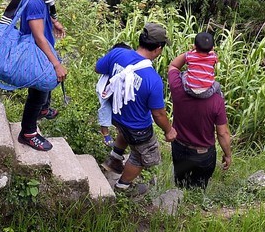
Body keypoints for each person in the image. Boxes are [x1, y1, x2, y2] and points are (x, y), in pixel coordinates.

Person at [97, 23, 176, 195]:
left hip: (116, 115)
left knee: (125, 132)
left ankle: (114, 160)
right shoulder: (152, 79)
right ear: (158, 49)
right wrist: (169, 131)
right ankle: (123, 187)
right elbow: (158, 114)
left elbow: (99, 68)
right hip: (137, 126)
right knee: (142, 156)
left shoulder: (118, 53)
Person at [7, 0, 72, 151]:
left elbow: (47, 6)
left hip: (41, 42)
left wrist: (54, 20)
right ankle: (28, 132)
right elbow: (38, 36)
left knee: (44, 88)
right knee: (38, 91)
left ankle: (43, 110)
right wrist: (56, 63)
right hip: (36, 48)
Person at [167, 60, 233, 189]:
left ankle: (178, 204)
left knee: (180, 186)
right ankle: (195, 206)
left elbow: (173, 66)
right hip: (203, 154)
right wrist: (227, 154)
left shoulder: (177, 88)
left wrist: (192, 54)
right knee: (198, 190)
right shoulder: (216, 100)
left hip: (179, 147)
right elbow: (222, 133)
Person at [169, 31, 220, 99]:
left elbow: (184, 59)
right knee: (217, 85)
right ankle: (220, 97)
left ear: (194, 46)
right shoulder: (213, 57)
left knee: (183, 73)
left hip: (189, 89)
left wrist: (192, 50)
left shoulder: (189, 55)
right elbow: (217, 61)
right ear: (212, 48)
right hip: (207, 92)